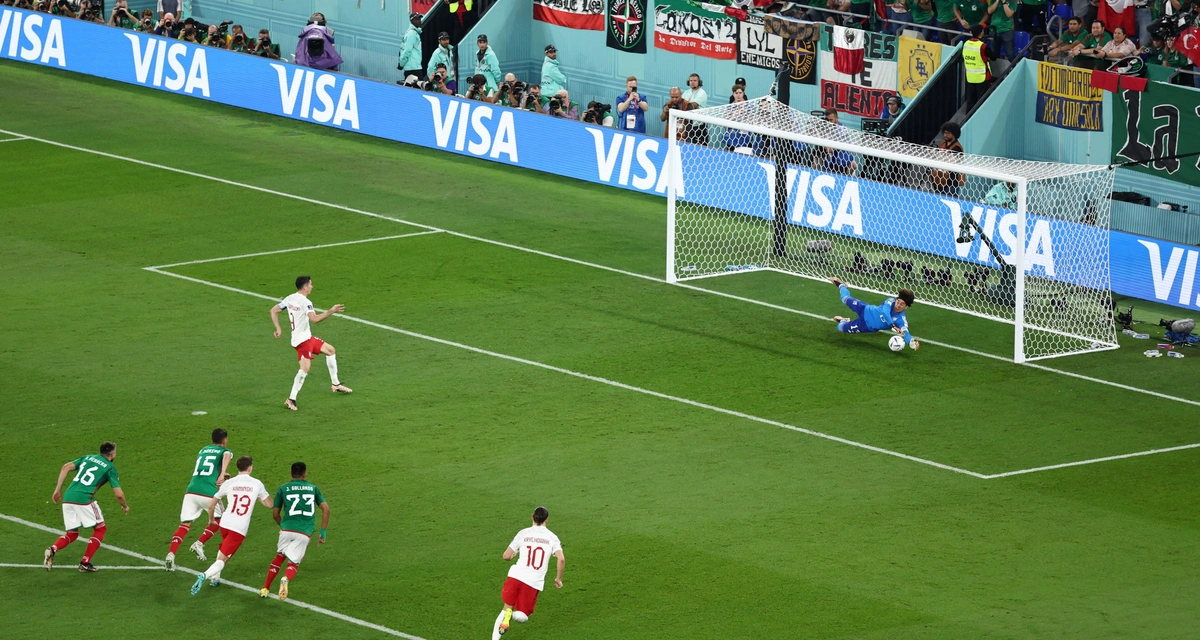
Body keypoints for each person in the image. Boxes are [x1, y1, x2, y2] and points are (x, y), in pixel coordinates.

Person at [191, 456, 272, 595]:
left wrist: (211, 521)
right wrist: (258, 496)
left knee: (223, 548)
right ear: (250, 467)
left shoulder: (229, 483)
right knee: (224, 558)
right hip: (239, 528)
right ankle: (205, 575)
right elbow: (270, 504)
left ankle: (215, 578)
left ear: (238, 468)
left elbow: (211, 506)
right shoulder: (256, 484)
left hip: (225, 523)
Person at [270, 276, 352, 412]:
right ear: (305, 286)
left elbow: (273, 310)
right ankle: (291, 399)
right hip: (302, 341)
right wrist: (331, 311)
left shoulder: (290, 298)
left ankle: (335, 384)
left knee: (330, 350)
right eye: (311, 284)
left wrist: (278, 328)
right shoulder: (306, 302)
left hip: (306, 337)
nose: (312, 286)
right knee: (305, 368)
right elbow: (314, 319)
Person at [45, 442, 129, 573]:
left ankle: (53, 549)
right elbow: (119, 495)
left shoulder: (87, 457)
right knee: (100, 529)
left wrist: (57, 490)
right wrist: (125, 506)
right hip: (84, 499)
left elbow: (65, 467)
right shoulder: (110, 468)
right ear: (112, 454)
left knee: (72, 533)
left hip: (68, 498)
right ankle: (85, 562)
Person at [491, 507, 565, 639]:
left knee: (505, 608)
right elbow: (561, 559)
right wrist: (558, 579)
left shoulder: (523, 533)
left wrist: (514, 554)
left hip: (515, 575)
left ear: (532, 517)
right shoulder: (552, 537)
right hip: (532, 581)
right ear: (547, 519)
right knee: (524, 616)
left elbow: (506, 556)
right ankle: (511, 615)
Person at [260, 462, 330, 601]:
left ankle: (265, 588)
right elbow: (326, 509)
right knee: (293, 563)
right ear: (305, 474)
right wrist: (322, 531)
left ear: (291, 473)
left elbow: (275, 514)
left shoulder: (283, 488)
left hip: (286, 529)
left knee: (279, 557)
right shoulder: (313, 489)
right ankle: (285, 578)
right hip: (304, 533)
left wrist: (283, 526)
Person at [165, 429, 233, 571]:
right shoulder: (224, 451)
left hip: (191, 491)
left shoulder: (203, 450)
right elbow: (226, 454)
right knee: (222, 519)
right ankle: (199, 543)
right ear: (224, 440)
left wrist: (221, 473)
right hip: (208, 493)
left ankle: (171, 554)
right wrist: (221, 474)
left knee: (185, 525)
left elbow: (206, 468)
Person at [829, 278, 920, 349]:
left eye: (902, 304)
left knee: (840, 327)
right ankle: (842, 285)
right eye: (898, 301)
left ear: (906, 307)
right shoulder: (890, 301)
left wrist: (912, 344)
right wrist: (892, 326)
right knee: (844, 298)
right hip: (865, 309)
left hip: (865, 326)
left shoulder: (901, 320)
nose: (898, 305)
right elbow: (885, 312)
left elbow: (905, 332)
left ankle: (844, 321)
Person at [962, 24, 993, 110]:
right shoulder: (983, 46)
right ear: (981, 33)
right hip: (982, 78)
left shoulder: (966, 44)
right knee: (981, 101)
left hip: (970, 77)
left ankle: (968, 118)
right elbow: (993, 57)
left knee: (970, 100)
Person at [931, 121, 965, 196]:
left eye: (948, 133)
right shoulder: (943, 143)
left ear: (954, 135)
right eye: (944, 133)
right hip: (939, 179)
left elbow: (949, 162)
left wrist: (938, 155)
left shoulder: (957, 148)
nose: (945, 135)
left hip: (951, 182)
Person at [398, 12, 424, 82]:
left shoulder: (414, 32)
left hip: (413, 67)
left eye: (419, 18)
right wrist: (401, 64)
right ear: (412, 21)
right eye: (416, 19)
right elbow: (407, 50)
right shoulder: (412, 34)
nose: (419, 20)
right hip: (413, 69)